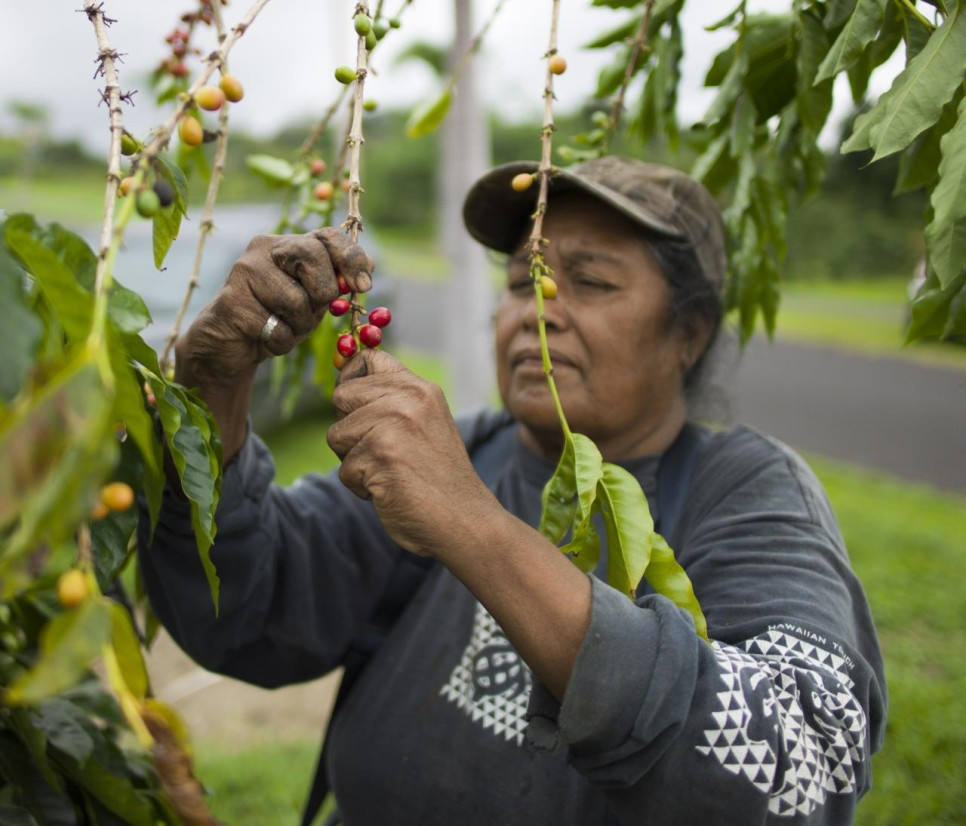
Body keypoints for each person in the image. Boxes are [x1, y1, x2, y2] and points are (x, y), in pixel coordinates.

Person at [139, 156, 886, 825]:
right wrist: (210, 393)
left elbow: (803, 775)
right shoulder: (468, 451)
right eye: (517, 280)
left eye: (589, 281)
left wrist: (473, 525)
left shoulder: (750, 493)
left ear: (688, 333)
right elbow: (244, 603)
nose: (540, 306)